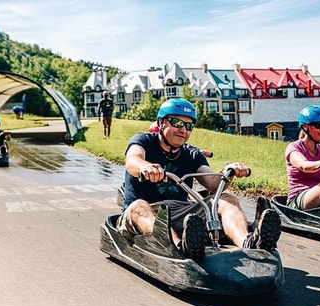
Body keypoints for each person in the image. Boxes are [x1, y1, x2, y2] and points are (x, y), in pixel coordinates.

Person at [118, 98, 281, 260]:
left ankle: (248, 243)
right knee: (139, 206)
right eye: (177, 122)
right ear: (161, 122)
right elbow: (133, 160)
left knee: (226, 199)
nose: (183, 129)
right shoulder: (143, 141)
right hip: (143, 212)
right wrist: (144, 167)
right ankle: (179, 248)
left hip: (183, 214)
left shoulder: (191, 153)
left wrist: (228, 172)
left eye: (188, 126)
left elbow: (212, 182)